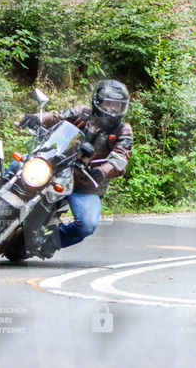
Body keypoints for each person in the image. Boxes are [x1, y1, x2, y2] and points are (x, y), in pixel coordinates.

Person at [11, 79, 133, 259]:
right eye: (109, 104)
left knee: (86, 225)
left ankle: (50, 242)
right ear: (97, 102)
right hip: (58, 168)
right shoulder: (82, 112)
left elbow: (121, 157)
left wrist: (102, 171)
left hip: (86, 185)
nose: (113, 109)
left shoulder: (123, 130)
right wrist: (38, 118)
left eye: (117, 105)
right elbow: (58, 117)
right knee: (19, 165)